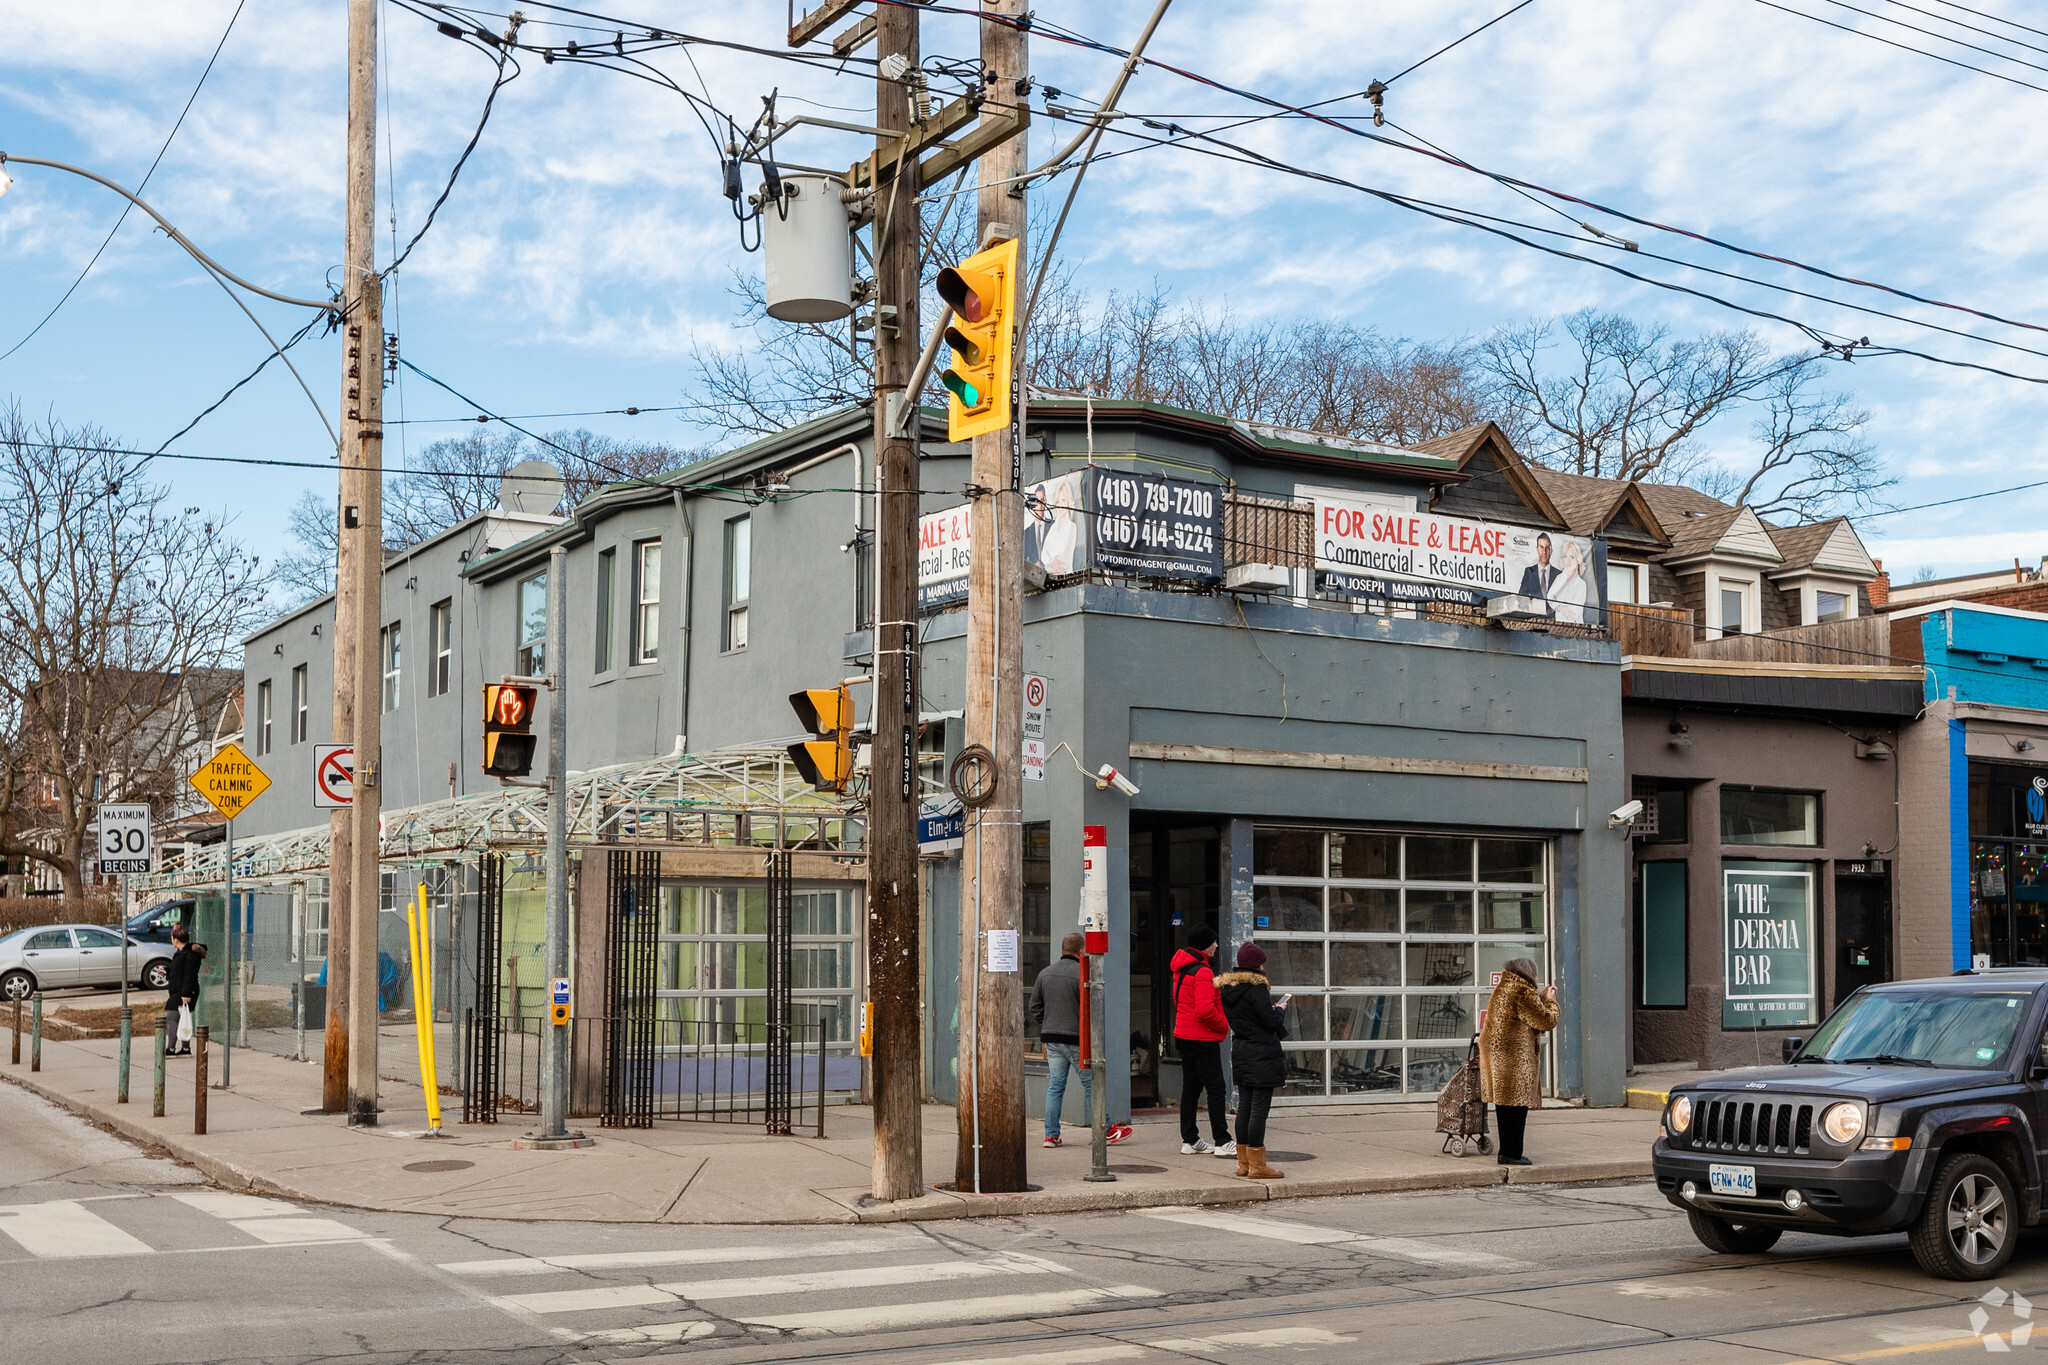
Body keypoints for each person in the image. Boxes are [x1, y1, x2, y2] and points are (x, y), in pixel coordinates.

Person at [1029, 933, 1129, 1147]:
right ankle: (1105, 1130)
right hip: (1076, 1038)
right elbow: (1094, 1007)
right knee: (1091, 1084)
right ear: (1081, 951)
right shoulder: (1083, 974)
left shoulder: (1045, 973)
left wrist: (1047, 1021)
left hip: (1051, 1038)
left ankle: (1051, 1135)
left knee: (1055, 1086)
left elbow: (1034, 1007)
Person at [1479, 957, 1560, 1166]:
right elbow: (1545, 1020)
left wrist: (1540, 998)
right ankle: (1512, 1153)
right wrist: (1550, 1000)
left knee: (1505, 1106)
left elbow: (1525, 1015)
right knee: (1517, 1107)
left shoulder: (1505, 987)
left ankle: (1507, 1151)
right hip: (1513, 1059)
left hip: (1498, 1056)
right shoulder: (1523, 991)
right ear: (1530, 973)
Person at [1216, 942, 1287, 1180]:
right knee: (1259, 1110)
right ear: (1258, 964)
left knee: (1245, 1107)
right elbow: (1269, 1022)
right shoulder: (1257, 988)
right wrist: (1279, 1010)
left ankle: (1243, 1163)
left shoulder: (1228, 989)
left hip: (1242, 1049)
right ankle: (1258, 1166)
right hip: (1262, 1052)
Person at [1171, 926, 1235, 1158]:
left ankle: (1190, 1139)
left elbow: (1180, 1002)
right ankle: (1223, 1140)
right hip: (1202, 1038)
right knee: (1216, 1088)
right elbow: (1205, 1009)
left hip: (1184, 1034)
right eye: (1214, 942)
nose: (1216, 945)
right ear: (1205, 945)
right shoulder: (1204, 972)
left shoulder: (1182, 969)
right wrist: (1223, 1025)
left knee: (1191, 1088)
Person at [165, 926, 206, 1057]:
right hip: (179, 990)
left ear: (176, 940)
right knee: (182, 1019)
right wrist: (167, 972)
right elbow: (178, 971)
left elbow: (190, 975)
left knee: (172, 1017)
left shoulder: (190, 955)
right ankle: (185, 1048)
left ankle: (171, 1049)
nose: (171, 941)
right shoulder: (181, 952)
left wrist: (186, 994)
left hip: (185, 991)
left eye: (172, 939)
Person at [1549, 541, 1593, 625]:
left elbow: (1576, 611)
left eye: (1572, 557)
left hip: (1575, 626)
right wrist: (1560, 607)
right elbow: (1550, 596)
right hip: (1558, 624)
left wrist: (1561, 608)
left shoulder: (1581, 584)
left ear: (1578, 560)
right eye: (1565, 556)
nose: (1568, 561)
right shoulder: (1559, 578)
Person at [1516, 533, 1560, 608]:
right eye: (1541, 547)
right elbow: (1521, 598)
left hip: (1554, 616)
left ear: (1551, 550)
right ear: (1537, 549)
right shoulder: (1529, 572)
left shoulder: (1558, 574)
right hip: (1534, 616)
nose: (1544, 552)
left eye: (1547, 548)